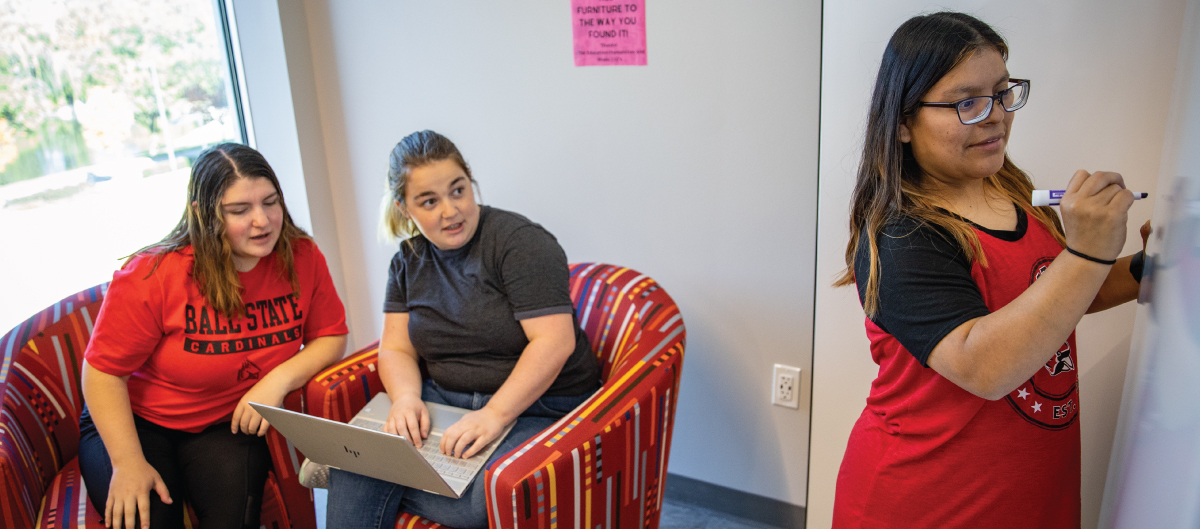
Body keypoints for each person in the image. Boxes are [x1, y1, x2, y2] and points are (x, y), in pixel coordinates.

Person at [832, 12, 1149, 528]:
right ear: (903, 122)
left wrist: (1147, 268)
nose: (996, 116)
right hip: (926, 502)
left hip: (1027, 493)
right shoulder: (901, 237)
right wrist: (1087, 252)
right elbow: (985, 368)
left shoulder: (1012, 191)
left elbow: (1056, 295)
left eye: (1002, 94)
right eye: (967, 102)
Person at [326, 130, 601, 529]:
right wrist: (405, 398)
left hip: (542, 405)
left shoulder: (520, 243)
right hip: (446, 400)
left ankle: (375, 476)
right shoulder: (407, 260)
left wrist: (494, 415)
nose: (451, 211)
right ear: (405, 208)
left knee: (480, 502)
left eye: (458, 191)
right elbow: (396, 348)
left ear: (471, 181)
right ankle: (366, 472)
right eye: (429, 201)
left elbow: (553, 342)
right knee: (354, 462)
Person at [79, 143, 349, 529]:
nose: (262, 221)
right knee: (149, 518)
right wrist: (127, 463)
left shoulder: (302, 255)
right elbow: (103, 374)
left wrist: (276, 381)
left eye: (270, 202)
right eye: (239, 210)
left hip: (226, 422)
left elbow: (330, 336)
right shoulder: (154, 274)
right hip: (139, 421)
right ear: (202, 213)